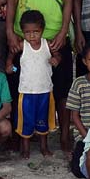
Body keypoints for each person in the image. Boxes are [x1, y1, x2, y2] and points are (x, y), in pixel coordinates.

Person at [4, 0, 75, 151]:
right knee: (22, 86)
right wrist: (11, 33)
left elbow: (68, 1)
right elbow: (12, 0)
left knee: (61, 86)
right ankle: (21, 132)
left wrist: (63, 32)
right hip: (24, 37)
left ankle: (63, 133)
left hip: (54, 36)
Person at [7, 10, 59, 158]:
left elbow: (57, 55)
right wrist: (10, 64)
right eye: (27, 32)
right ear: (23, 32)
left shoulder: (47, 45)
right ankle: (26, 149)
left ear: (42, 30)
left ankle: (44, 146)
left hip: (45, 91)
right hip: (26, 92)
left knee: (43, 121)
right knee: (26, 122)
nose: (32, 36)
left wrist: (56, 60)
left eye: (35, 32)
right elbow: (11, 55)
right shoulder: (22, 46)